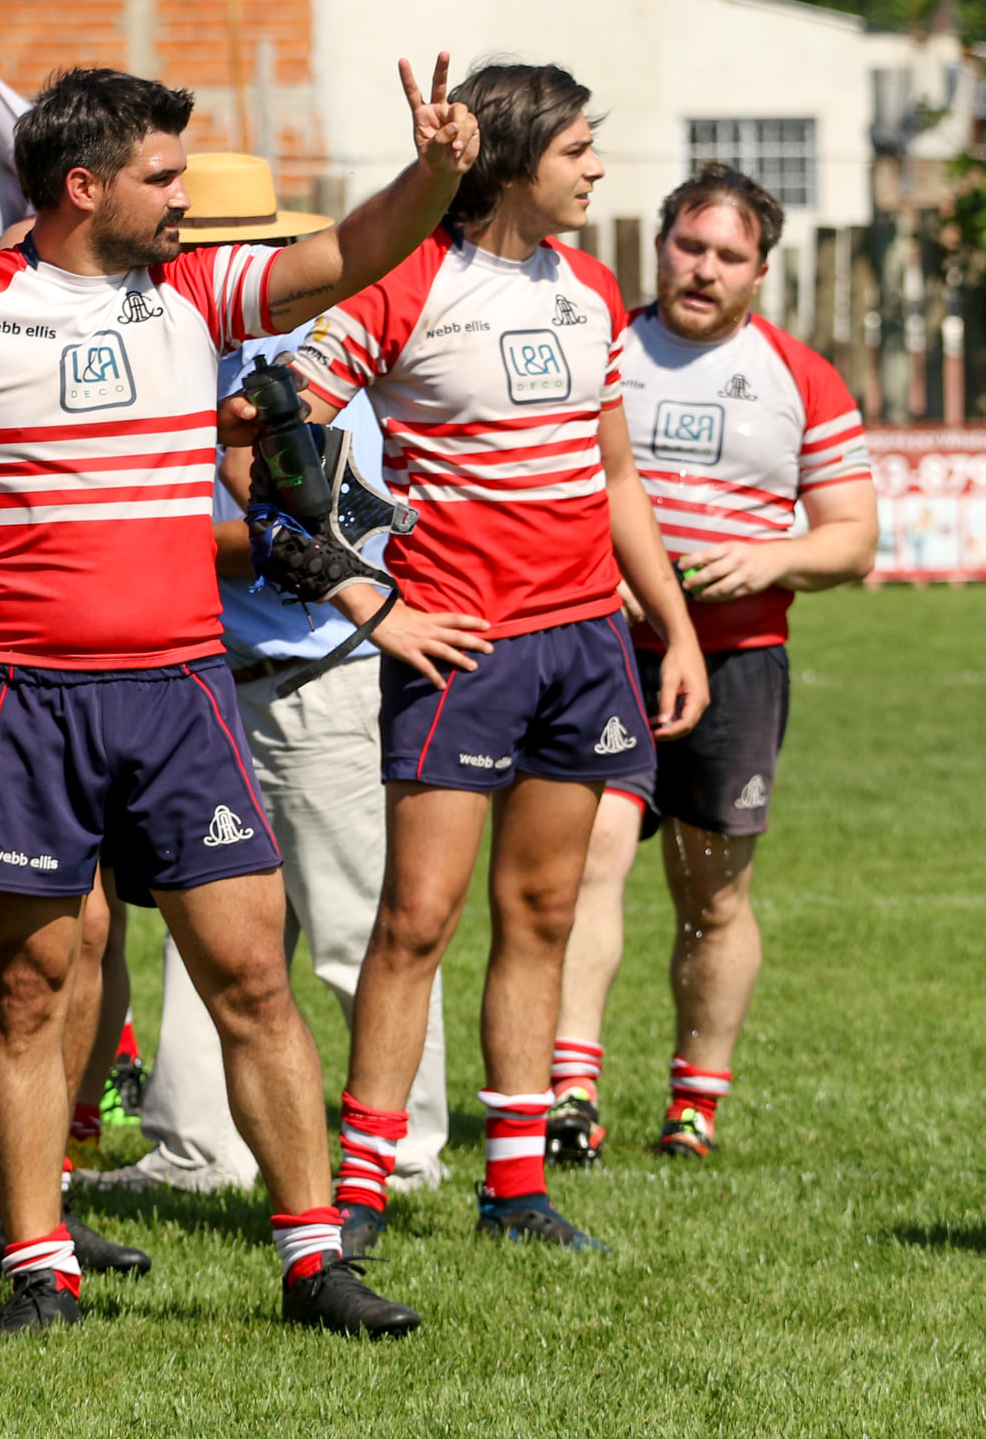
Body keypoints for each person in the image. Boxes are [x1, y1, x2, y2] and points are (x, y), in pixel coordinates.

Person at [0, 59, 479, 1336]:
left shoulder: (193, 292)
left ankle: (312, 1260)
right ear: (83, 186)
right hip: (24, 698)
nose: (184, 200)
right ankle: (34, 1265)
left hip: (181, 693)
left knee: (250, 973)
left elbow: (344, 254)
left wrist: (438, 173)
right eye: (162, 176)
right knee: (29, 985)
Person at [291, 63, 710, 1256]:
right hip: (458, 646)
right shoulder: (406, 281)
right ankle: (360, 1188)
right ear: (517, 159)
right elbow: (271, 439)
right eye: (578, 147)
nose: (595, 168)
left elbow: (615, 477)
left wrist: (667, 624)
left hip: (584, 645)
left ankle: (516, 1188)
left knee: (540, 910)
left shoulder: (589, 286)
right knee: (414, 920)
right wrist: (373, 604)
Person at [81, 152, 450, 1198]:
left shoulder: (298, 362)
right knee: (212, 933)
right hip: (201, 676)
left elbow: (327, 527)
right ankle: (198, 1150)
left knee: (351, 928)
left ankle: (406, 1150)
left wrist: (147, 539)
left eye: (202, 250)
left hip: (311, 675)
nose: (181, 264)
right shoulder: (156, 347)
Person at [547, 165, 875, 1164]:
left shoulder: (801, 378)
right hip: (606, 650)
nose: (704, 269)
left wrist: (772, 556)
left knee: (713, 893)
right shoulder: (603, 350)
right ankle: (569, 1094)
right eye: (689, 246)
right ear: (659, 246)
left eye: (728, 256)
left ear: (761, 271)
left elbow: (853, 539)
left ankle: (693, 1103)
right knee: (586, 861)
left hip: (738, 661)